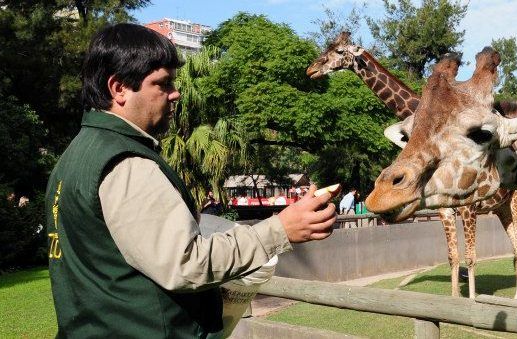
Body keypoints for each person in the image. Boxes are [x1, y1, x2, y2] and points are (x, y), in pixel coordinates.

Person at [45, 23, 337, 338]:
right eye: (162, 83)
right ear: (119, 89)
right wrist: (280, 230)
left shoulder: (74, 157)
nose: (176, 94)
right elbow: (186, 264)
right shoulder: (126, 162)